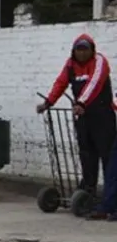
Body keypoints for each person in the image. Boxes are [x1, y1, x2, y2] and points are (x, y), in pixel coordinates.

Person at [37, 34, 115, 194]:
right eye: (79, 49)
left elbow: (95, 82)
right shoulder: (70, 65)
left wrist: (81, 103)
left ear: (92, 50)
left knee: (107, 154)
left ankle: (111, 194)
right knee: (86, 153)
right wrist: (48, 102)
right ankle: (88, 189)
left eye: (85, 49)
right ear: (74, 51)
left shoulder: (99, 61)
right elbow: (61, 82)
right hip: (83, 116)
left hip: (102, 116)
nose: (82, 53)